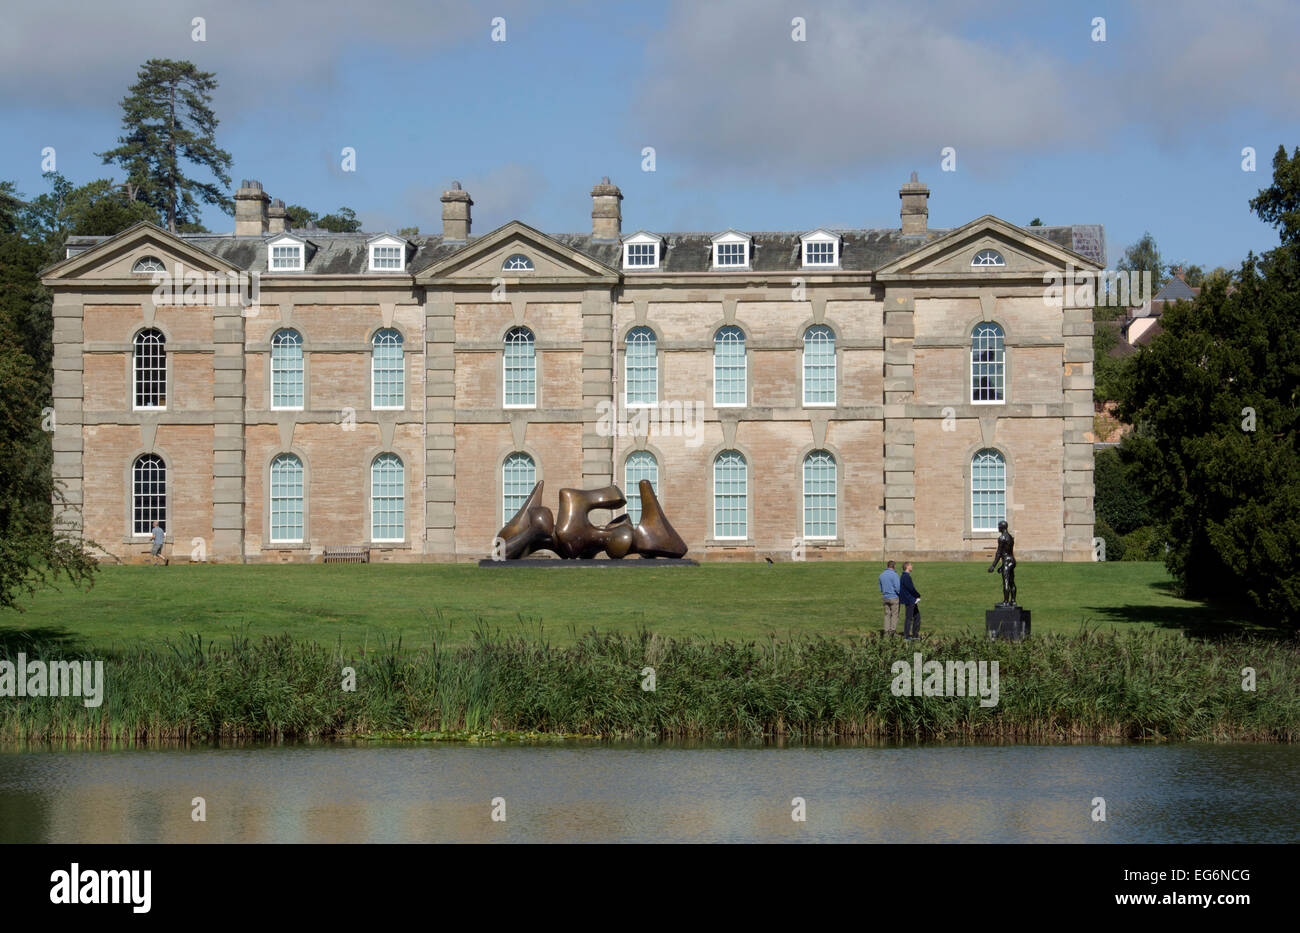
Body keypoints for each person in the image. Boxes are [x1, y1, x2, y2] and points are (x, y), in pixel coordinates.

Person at [878, 560, 901, 636]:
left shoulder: (881, 575)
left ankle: (886, 631)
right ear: (894, 566)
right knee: (895, 614)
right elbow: (898, 587)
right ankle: (892, 631)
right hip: (894, 597)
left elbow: (880, 588)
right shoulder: (894, 575)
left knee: (887, 615)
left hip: (885, 597)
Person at [900, 561, 922, 640]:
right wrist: (917, 595)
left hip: (912, 599)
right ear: (907, 567)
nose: (912, 567)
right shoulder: (906, 576)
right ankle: (906, 636)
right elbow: (910, 588)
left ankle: (915, 635)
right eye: (911, 565)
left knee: (917, 617)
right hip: (910, 600)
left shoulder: (906, 576)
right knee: (909, 618)